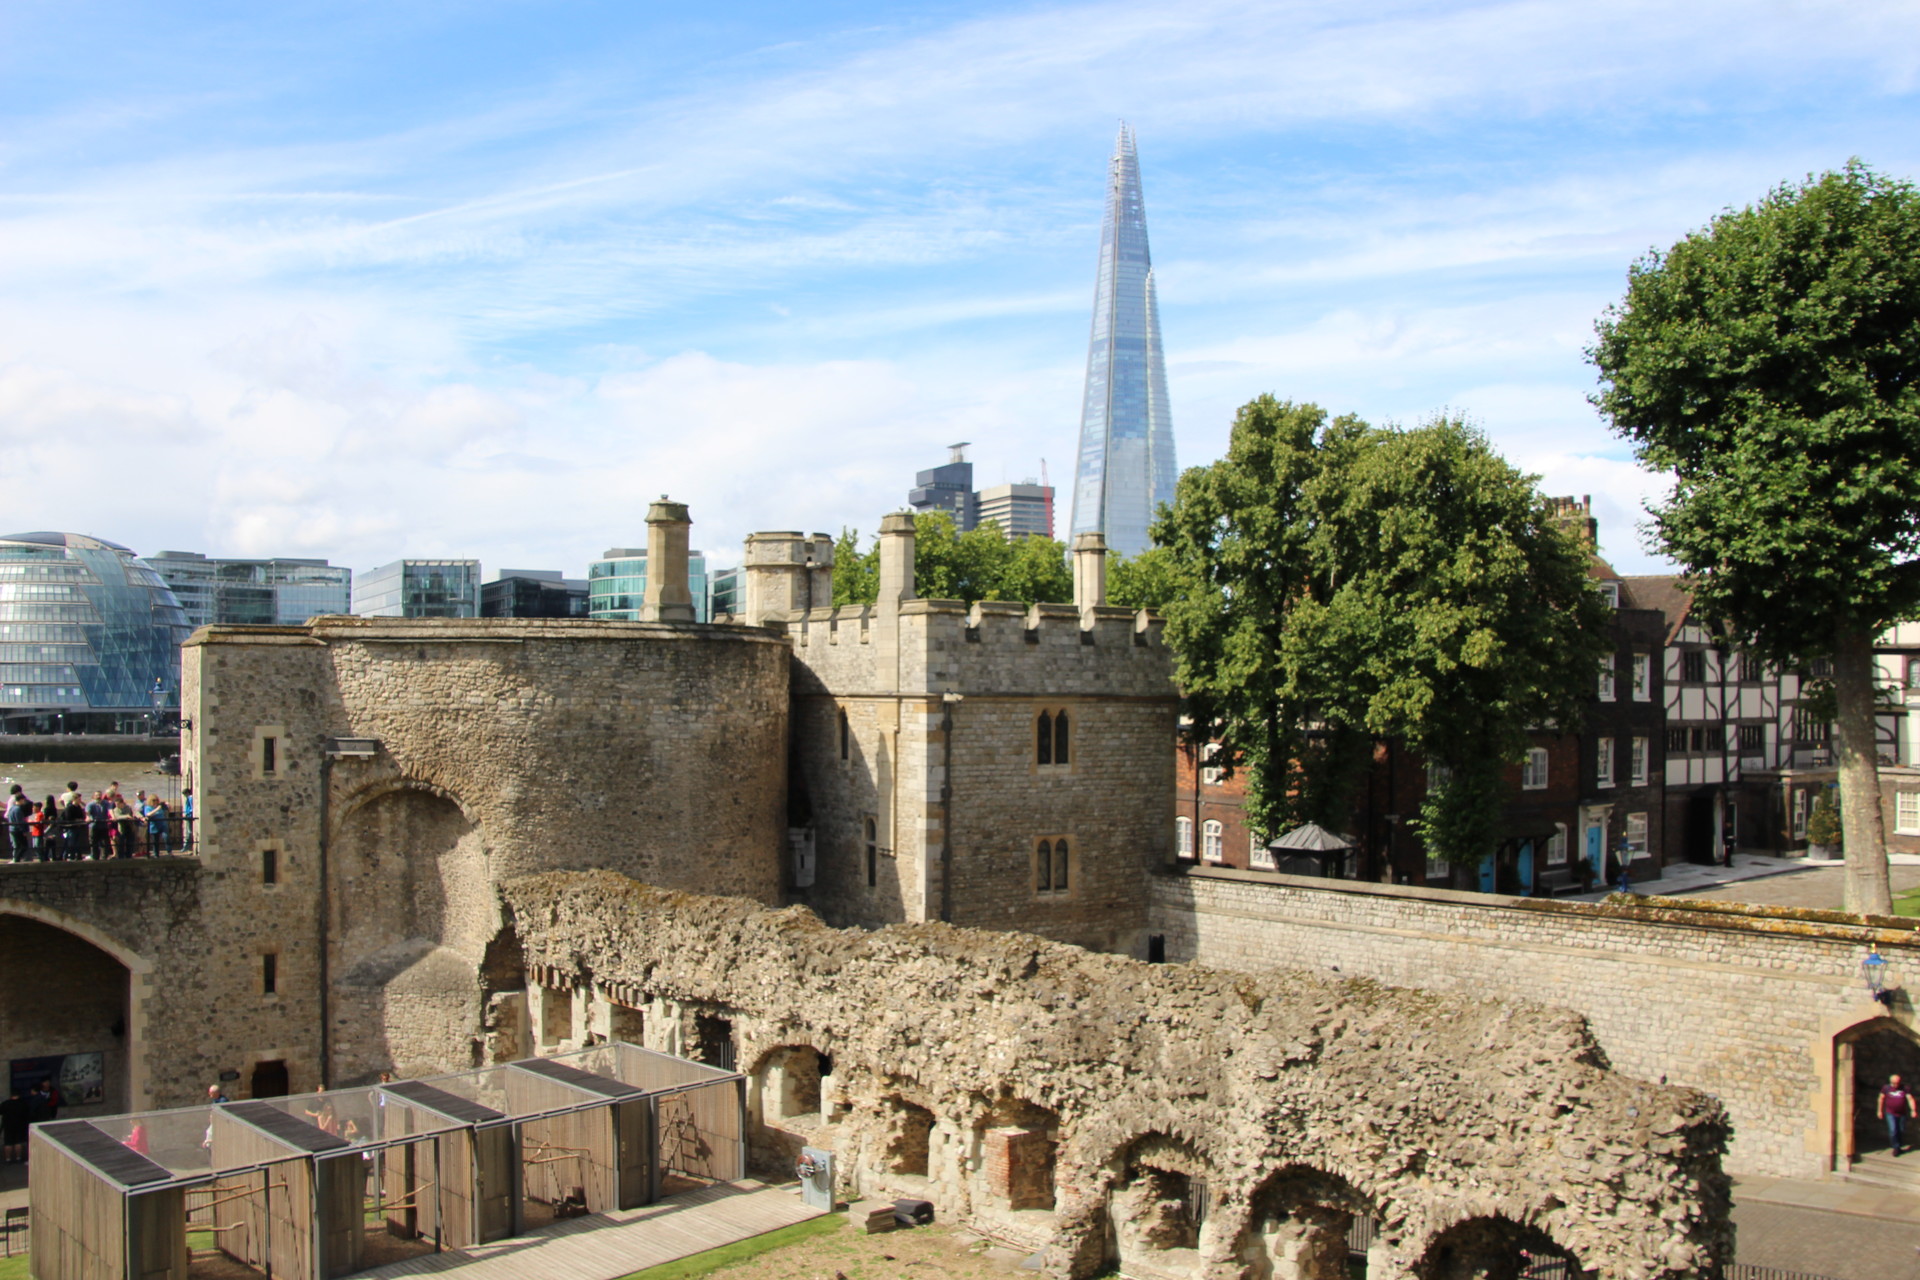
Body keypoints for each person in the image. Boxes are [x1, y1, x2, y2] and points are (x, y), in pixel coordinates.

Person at [1881, 1074, 1917, 1155]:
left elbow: (1910, 1099)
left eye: (1898, 1083)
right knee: (1893, 1130)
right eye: (1894, 1083)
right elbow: (1881, 1098)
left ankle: (1899, 1145)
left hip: (1902, 1113)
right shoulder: (1886, 1088)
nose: (1896, 1085)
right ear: (1891, 1082)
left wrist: (1913, 1110)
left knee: (1901, 1130)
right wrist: (1879, 1111)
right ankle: (1895, 1147)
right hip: (1890, 1113)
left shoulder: (1905, 1088)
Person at [0, 1088, 28, 1163]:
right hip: (19, 1125)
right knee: (18, 1142)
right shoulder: (23, 1103)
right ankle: (18, 1158)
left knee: (8, 1143)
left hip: (8, 1126)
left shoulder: (5, 1103)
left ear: (11, 1095)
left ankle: (8, 1159)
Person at [88, 791, 112, 859]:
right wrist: (89, 818)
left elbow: (110, 810)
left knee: (104, 842)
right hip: (94, 825)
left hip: (103, 825)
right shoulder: (91, 804)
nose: (98, 797)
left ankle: (104, 857)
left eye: (100, 795)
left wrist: (112, 817)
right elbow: (88, 813)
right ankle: (94, 857)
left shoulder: (105, 803)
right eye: (97, 795)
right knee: (93, 842)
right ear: (94, 796)